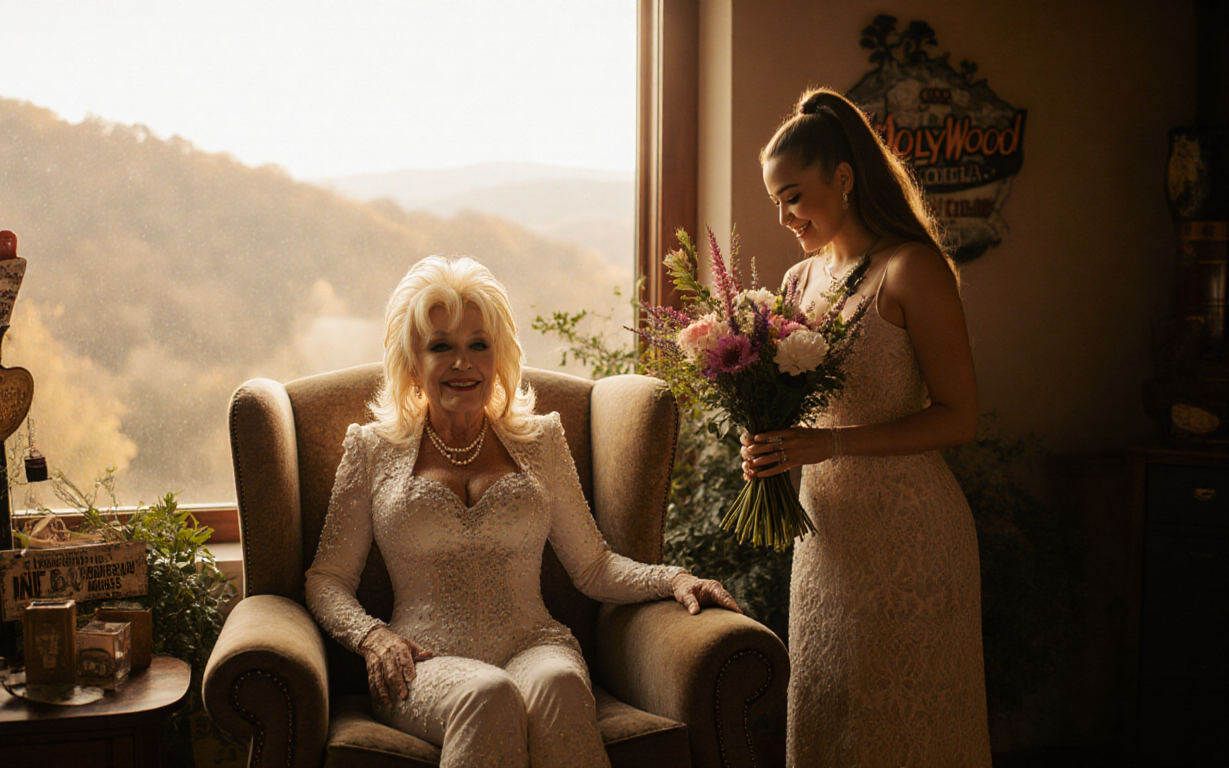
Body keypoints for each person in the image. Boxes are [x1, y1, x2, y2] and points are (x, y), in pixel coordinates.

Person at [306, 256, 740, 768]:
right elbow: (326, 578)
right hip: (424, 663)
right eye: (441, 346)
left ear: (499, 357)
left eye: (478, 345)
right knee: (486, 694)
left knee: (557, 683)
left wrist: (672, 579)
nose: (463, 363)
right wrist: (373, 638)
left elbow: (593, 565)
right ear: (411, 362)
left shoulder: (541, 441)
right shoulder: (372, 450)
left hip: (535, 645)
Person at [743, 87, 991, 766]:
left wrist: (833, 444)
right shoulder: (798, 282)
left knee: (905, 731)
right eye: (777, 201)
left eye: (793, 194)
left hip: (911, 540)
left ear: (844, 178)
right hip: (827, 544)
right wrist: (765, 435)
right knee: (830, 721)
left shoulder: (913, 270)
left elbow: (959, 416)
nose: (786, 215)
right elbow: (795, 409)